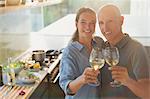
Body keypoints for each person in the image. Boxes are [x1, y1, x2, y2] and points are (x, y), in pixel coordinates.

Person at [97, 4, 150, 98]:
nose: (105, 28)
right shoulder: (101, 48)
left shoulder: (136, 49)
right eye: (101, 22)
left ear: (121, 20)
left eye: (110, 21)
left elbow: (148, 93)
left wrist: (128, 81)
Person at [59, 7, 101, 99]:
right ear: (76, 24)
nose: (87, 27)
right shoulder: (69, 51)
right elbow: (67, 88)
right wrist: (82, 79)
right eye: (83, 22)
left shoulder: (99, 43)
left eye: (92, 23)